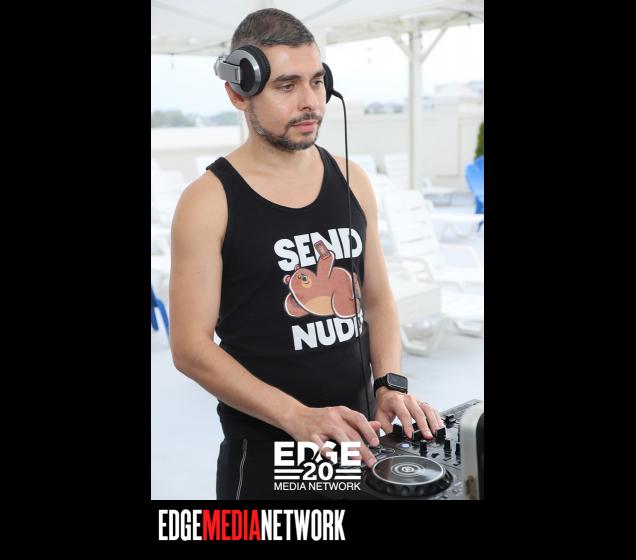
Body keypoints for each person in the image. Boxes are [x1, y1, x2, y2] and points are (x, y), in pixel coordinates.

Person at [169, 8, 444, 500]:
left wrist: (390, 384)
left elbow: (377, 300)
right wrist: (295, 415)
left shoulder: (352, 179)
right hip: (266, 452)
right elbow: (190, 347)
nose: (311, 102)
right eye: (287, 86)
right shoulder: (208, 200)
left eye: (317, 82)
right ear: (238, 93)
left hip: (356, 439)